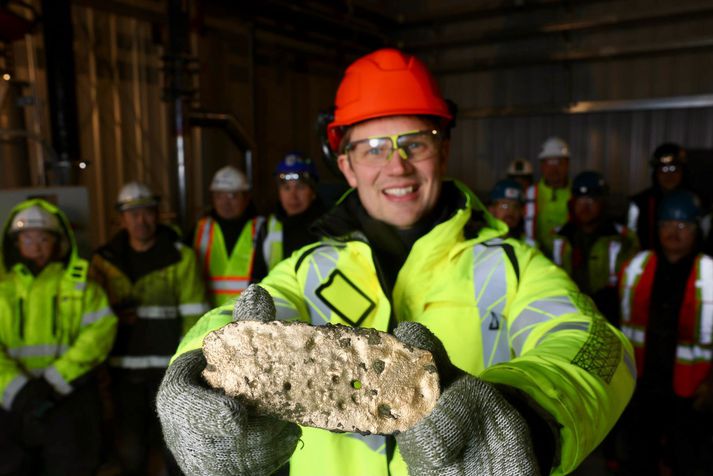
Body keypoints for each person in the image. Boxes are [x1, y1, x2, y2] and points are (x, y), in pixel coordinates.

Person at [156, 48, 635, 476]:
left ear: (443, 150)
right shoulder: (308, 269)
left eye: (416, 142)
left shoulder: (509, 266)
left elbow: (597, 348)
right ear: (345, 164)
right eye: (373, 148)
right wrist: (197, 373)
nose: (398, 165)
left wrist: (524, 415)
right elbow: (233, 323)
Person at [89, 182, 207, 476]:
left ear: (157, 215)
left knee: (177, 449)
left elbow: (195, 317)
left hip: (170, 372)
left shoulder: (181, 257)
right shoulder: (104, 261)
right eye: (133, 214)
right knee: (131, 451)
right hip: (123, 372)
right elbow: (91, 315)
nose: (141, 220)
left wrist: (188, 367)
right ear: (121, 219)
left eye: (147, 213)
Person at [0, 199, 117, 476]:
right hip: (10, 403)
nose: (36, 245)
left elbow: (99, 334)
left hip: (69, 400)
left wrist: (53, 382)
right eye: (28, 238)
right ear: (16, 243)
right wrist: (17, 389)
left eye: (44, 238)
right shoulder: (2, 291)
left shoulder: (83, 288)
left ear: (59, 243)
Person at [617, 189, 713, 475]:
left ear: (698, 230)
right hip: (643, 385)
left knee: (688, 460)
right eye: (667, 224)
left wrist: (711, 384)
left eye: (683, 226)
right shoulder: (637, 267)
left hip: (690, 392)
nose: (674, 232)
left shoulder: (710, 274)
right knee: (638, 459)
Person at [551, 171, 639, 325]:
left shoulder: (624, 239)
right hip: (567, 316)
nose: (585, 206)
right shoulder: (559, 237)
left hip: (610, 319)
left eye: (592, 199)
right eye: (580, 199)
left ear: (603, 202)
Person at [192, 165, 261, 306]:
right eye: (219, 196)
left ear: (246, 197)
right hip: (209, 318)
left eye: (232, 195)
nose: (225, 203)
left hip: (248, 319)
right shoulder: (200, 229)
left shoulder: (262, 229)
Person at [252, 152, 326, 282]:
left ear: (313, 192)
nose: (293, 196)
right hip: (278, 301)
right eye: (286, 188)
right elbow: (256, 280)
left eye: (300, 187)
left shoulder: (329, 225)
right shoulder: (267, 229)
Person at [627, 142, 688, 252]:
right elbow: (630, 241)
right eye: (663, 169)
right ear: (655, 173)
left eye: (674, 168)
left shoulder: (700, 203)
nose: (669, 175)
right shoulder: (639, 203)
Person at [524, 136, 572, 257]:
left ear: (567, 164)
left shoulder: (576, 193)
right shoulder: (530, 193)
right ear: (541, 165)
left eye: (559, 163)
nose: (553, 170)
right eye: (549, 164)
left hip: (570, 260)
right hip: (536, 257)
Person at [487, 178, 536, 247]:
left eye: (516, 206)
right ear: (491, 209)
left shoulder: (529, 244)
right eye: (504, 205)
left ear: (522, 212)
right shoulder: (482, 240)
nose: (510, 211)